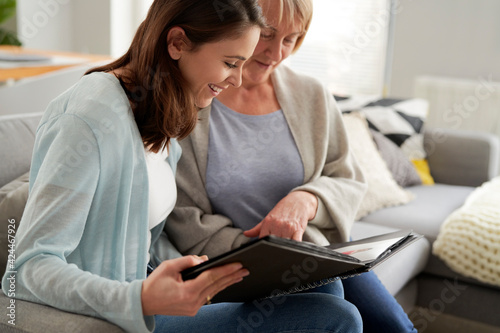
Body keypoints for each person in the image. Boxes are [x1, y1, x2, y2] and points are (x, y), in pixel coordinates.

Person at [2, 0, 364, 332]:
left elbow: (140, 241)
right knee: (336, 317)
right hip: (125, 307)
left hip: (153, 285)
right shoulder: (91, 116)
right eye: (230, 63)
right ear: (176, 43)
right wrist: (142, 297)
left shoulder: (163, 114)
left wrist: (200, 275)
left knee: (321, 284)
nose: (237, 79)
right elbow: (28, 268)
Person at [165, 0, 418, 332]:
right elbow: (185, 218)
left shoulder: (310, 95)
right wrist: (268, 256)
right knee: (332, 304)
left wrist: (306, 200)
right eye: (267, 35)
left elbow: (347, 177)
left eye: (291, 39)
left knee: (396, 329)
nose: (276, 53)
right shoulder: (193, 100)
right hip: (235, 263)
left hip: (316, 250)